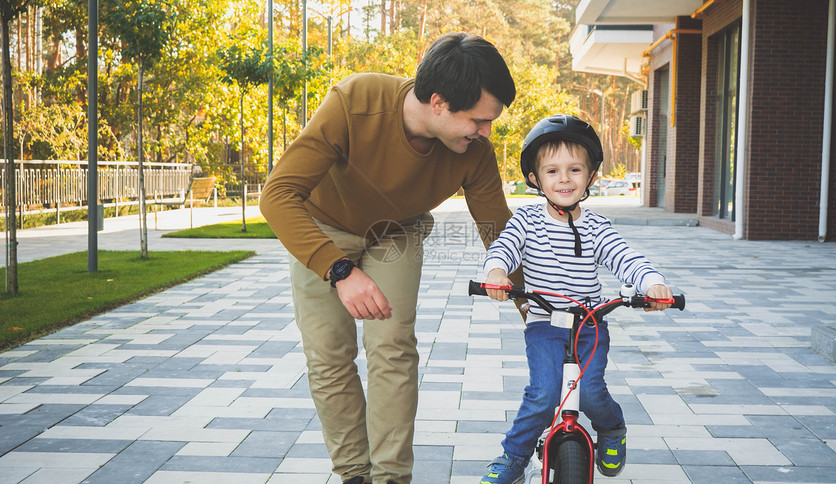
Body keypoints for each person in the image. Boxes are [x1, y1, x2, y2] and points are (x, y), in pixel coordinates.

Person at [260, 32, 522, 484]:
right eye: (479, 121)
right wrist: (339, 271)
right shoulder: (354, 101)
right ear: (438, 103)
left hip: (395, 232)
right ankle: (355, 474)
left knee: (392, 348)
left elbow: (500, 233)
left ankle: (390, 478)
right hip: (321, 227)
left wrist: (538, 309)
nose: (486, 133)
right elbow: (278, 195)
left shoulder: (473, 153)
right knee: (329, 355)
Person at [479, 115, 673, 484]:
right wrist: (496, 273)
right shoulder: (526, 221)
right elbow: (503, 247)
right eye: (552, 170)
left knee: (592, 392)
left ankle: (612, 429)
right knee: (544, 394)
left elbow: (626, 257)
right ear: (535, 178)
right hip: (544, 325)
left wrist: (652, 283)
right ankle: (514, 457)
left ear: (591, 177)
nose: (564, 179)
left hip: (589, 325)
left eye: (574, 169)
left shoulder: (598, 226)